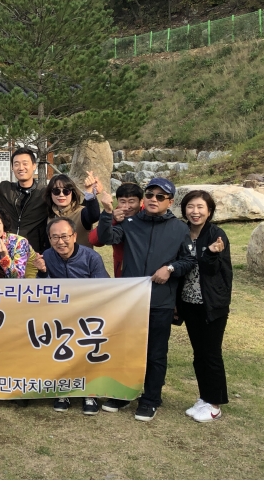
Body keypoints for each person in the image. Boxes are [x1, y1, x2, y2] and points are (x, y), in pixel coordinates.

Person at [97, 177, 197, 421]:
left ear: (170, 202)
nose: (154, 200)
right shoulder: (130, 223)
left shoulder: (179, 228)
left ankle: (151, 398)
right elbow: (106, 237)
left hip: (160, 301)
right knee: (127, 349)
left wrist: (170, 269)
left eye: (160, 197)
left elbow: (189, 260)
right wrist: (108, 211)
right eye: (150, 195)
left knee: (155, 352)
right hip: (131, 301)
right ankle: (123, 393)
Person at [37, 217, 108, 416]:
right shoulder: (47, 257)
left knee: (88, 351)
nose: (61, 242)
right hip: (58, 317)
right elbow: (42, 291)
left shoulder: (91, 257)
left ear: (74, 236)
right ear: (49, 239)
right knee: (60, 350)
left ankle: (90, 393)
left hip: (88, 315)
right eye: (55, 237)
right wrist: (42, 272)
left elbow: (104, 288)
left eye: (65, 236)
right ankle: (63, 391)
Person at [178, 190, 232, 423]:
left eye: (200, 207)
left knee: (211, 354)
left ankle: (215, 404)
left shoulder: (216, 235)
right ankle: (204, 397)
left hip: (212, 304)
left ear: (209, 211)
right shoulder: (183, 233)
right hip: (189, 303)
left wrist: (210, 254)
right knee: (199, 353)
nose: (195, 211)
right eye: (191, 206)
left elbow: (213, 271)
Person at [88, 183, 143, 277]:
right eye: (123, 201)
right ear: (117, 201)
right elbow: (94, 240)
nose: (127, 206)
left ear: (141, 202)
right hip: (122, 267)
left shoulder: (148, 215)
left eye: (131, 201)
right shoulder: (113, 216)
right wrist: (112, 219)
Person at [43, 172, 102, 250]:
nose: (61, 194)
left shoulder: (81, 213)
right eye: (56, 191)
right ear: (50, 194)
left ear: (72, 193)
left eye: (66, 191)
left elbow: (94, 216)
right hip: (55, 261)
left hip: (81, 261)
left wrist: (90, 193)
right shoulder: (49, 215)